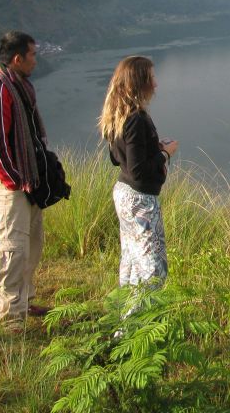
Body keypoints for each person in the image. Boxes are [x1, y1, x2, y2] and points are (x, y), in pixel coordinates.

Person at [0, 31, 50, 331]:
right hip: (10, 188)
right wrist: (16, 181)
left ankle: (24, 302)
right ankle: (11, 319)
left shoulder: (20, 88)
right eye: (32, 54)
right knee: (11, 251)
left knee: (31, 246)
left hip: (26, 185)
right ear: (17, 59)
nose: (36, 59)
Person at [99, 56, 178, 289]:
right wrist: (166, 153)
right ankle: (143, 319)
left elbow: (117, 158)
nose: (156, 84)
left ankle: (127, 320)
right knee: (153, 268)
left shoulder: (119, 116)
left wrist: (155, 148)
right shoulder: (136, 119)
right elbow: (138, 171)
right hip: (140, 200)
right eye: (152, 78)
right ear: (139, 82)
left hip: (124, 194)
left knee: (133, 261)